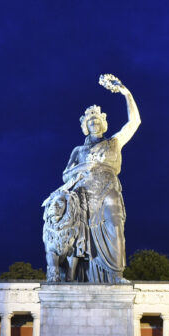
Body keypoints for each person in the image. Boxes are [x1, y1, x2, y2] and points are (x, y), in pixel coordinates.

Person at [52, 74, 140, 283]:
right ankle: (78, 277)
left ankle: (116, 275)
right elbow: (65, 174)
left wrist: (125, 92)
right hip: (83, 196)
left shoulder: (113, 142)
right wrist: (85, 166)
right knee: (82, 239)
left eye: (97, 120)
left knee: (115, 226)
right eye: (90, 121)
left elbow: (134, 122)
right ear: (85, 125)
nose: (94, 123)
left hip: (108, 190)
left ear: (103, 123)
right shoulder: (79, 150)